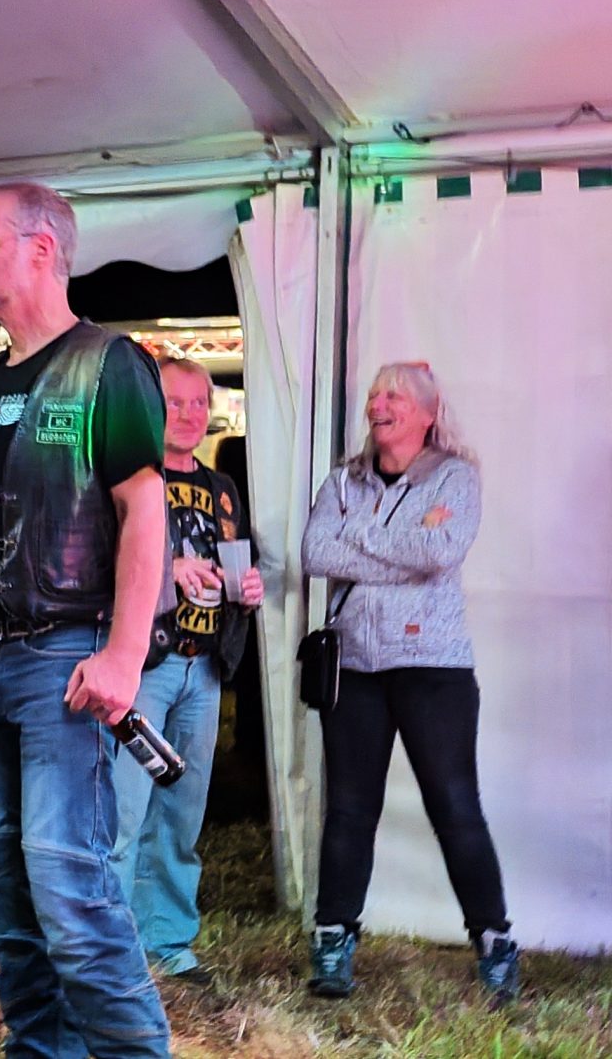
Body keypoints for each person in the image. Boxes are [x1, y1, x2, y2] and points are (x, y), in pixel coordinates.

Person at [0, 182, 173, 1057]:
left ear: (42, 249)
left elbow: (144, 510)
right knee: (8, 896)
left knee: (70, 891)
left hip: (65, 659)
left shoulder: (108, 363)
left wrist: (125, 654)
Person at [300, 361, 516, 1003]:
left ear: (427, 413)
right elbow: (315, 552)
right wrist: (405, 541)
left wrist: (360, 535)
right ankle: (333, 940)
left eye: (393, 395)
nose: (378, 404)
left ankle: (495, 941)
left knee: (454, 806)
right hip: (354, 669)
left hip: (433, 669)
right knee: (349, 811)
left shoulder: (455, 476)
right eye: (374, 394)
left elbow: (442, 551)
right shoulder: (342, 479)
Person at [110, 356, 263, 986]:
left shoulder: (222, 488)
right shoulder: (121, 476)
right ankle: (111, 950)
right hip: (142, 666)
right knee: (122, 813)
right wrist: (165, 569)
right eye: (176, 402)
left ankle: (168, 941)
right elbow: (92, 560)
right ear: (151, 407)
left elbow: (234, 562)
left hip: (203, 669)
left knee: (179, 816)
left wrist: (247, 588)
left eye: (200, 402)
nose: (191, 414)